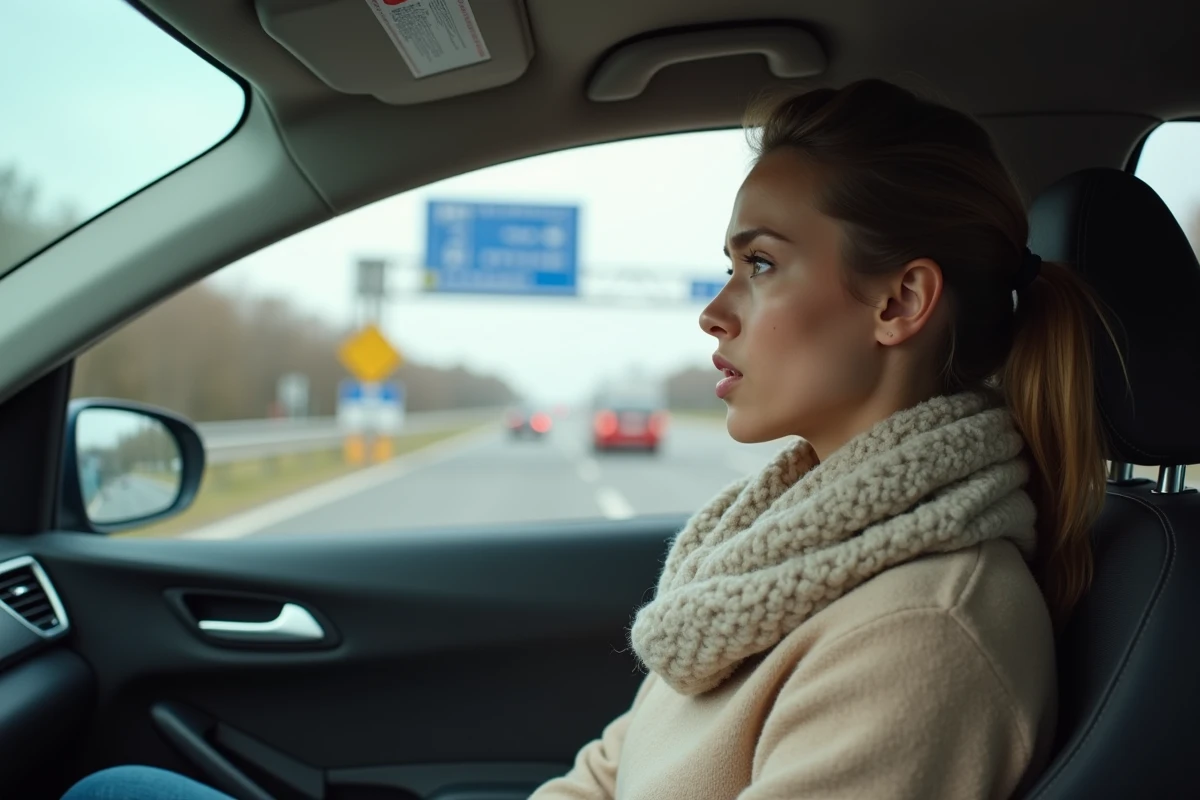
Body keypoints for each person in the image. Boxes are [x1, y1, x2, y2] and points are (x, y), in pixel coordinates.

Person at [61, 78, 1109, 800]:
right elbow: (620, 765)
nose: (715, 309)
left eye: (761, 263)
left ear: (900, 301)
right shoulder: (794, 544)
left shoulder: (926, 632)